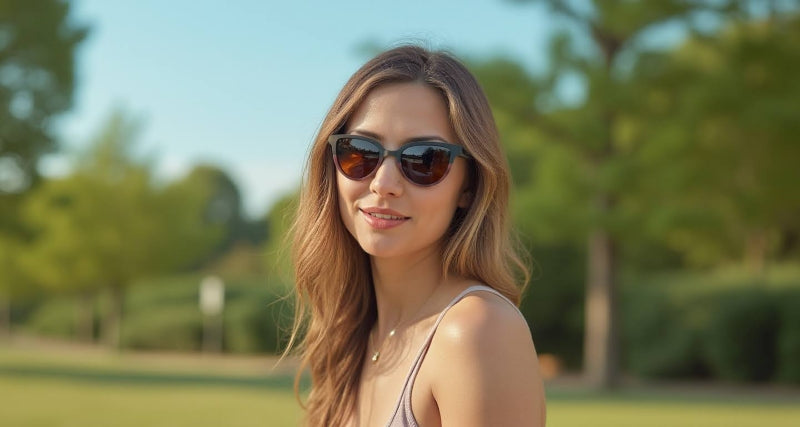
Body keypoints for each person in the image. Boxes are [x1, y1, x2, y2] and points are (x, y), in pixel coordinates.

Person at [287, 45, 546, 426]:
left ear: (468, 187)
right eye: (360, 152)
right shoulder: (352, 335)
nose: (384, 183)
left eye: (425, 159)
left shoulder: (478, 331)